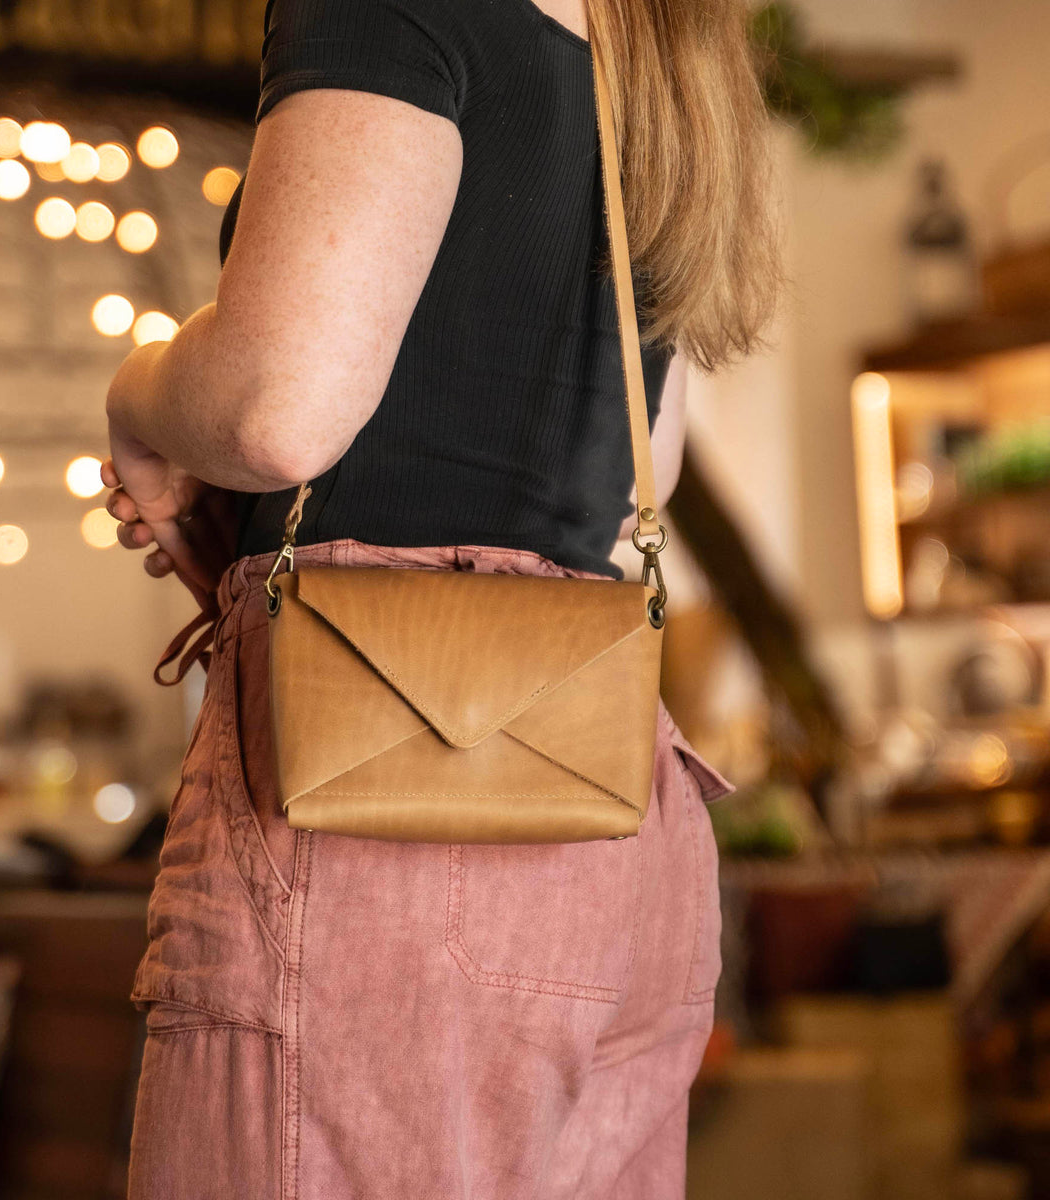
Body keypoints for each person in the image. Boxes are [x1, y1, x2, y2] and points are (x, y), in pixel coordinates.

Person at [102, 0, 781, 1193]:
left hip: (382, 825)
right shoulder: (658, 45)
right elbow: (642, 467)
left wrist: (140, 394)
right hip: (609, 820)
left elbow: (279, 410)